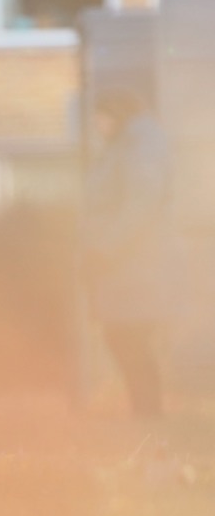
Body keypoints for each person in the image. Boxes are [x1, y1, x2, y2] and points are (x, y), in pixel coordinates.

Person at [82, 88, 177, 420]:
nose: (96, 124)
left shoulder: (141, 142)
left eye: (101, 116)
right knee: (123, 336)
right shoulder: (123, 145)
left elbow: (141, 201)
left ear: (119, 112)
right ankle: (145, 411)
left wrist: (107, 247)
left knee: (128, 336)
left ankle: (149, 412)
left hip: (133, 262)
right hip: (122, 262)